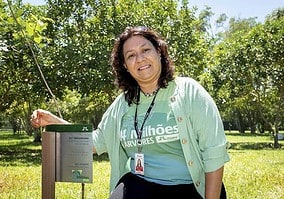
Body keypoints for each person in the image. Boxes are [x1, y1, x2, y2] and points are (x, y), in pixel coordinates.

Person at [31, 26, 230, 199]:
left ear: (159, 52)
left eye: (145, 50)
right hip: (140, 185)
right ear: (125, 66)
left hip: (189, 188)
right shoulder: (122, 103)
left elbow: (214, 152)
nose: (140, 59)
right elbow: (97, 141)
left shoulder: (188, 91)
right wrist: (54, 122)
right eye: (131, 55)